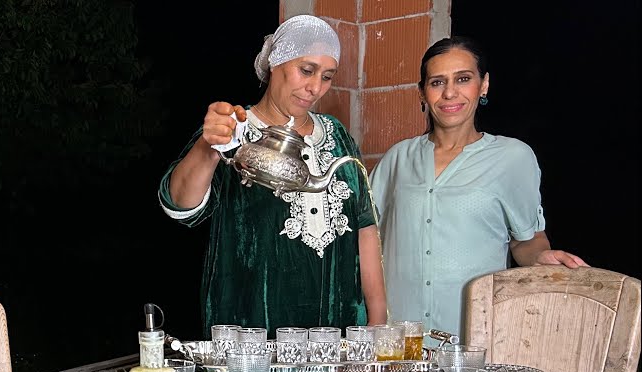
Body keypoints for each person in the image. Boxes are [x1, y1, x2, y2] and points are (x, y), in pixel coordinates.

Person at [158, 14, 387, 335]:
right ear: (272, 64)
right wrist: (207, 147)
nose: (315, 87)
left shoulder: (338, 136)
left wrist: (377, 329)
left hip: (338, 337)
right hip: (251, 336)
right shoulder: (233, 131)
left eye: (327, 76)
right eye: (306, 71)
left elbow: (366, 230)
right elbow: (180, 206)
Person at [370, 36, 588, 335]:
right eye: (437, 82)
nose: (450, 93)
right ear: (422, 93)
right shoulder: (398, 159)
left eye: (463, 79)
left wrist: (539, 258)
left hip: (474, 338)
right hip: (399, 339)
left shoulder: (513, 158)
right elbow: (366, 238)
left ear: (483, 85)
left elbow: (526, 239)